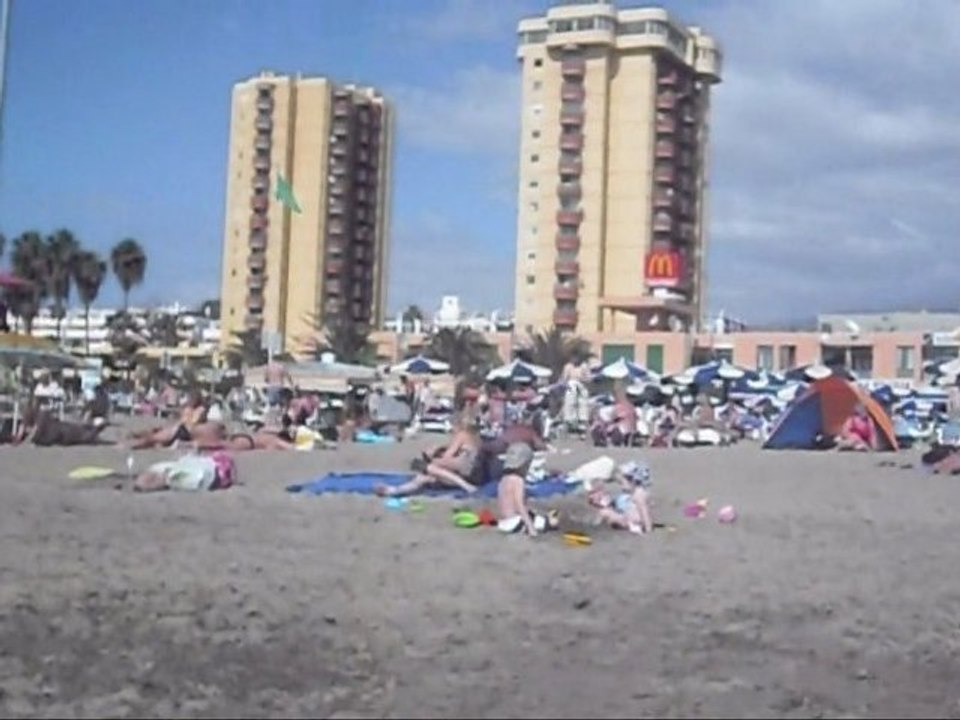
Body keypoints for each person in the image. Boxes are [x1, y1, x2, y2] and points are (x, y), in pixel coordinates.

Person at [376, 414, 482, 497]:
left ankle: (467, 486)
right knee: (423, 477)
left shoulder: (462, 435)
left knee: (431, 466)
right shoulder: (471, 437)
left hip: (468, 473)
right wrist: (437, 450)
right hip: (466, 473)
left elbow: (447, 457)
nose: (451, 430)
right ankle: (394, 491)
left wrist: (432, 456)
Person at [496, 442, 555, 536]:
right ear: (523, 465)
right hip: (516, 523)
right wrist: (531, 528)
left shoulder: (503, 480)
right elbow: (520, 505)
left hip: (504, 523)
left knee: (533, 513)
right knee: (548, 522)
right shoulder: (518, 480)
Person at [587, 461, 654, 535]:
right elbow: (611, 478)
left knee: (605, 512)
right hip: (626, 516)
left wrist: (648, 529)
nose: (621, 485)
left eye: (623, 481)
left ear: (633, 481)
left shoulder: (638, 494)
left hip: (629, 521)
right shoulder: (633, 492)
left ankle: (597, 522)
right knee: (607, 506)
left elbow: (644, 513)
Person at [14, 403, 110, 447]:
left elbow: (34, 429)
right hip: (59, 430)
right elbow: (28, 428)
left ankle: (96, 429)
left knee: (79, 435)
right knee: (78, 434)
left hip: (58, 432)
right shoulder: (39, 413)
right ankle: (96, 429)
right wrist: (21, 440)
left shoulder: (39, 414)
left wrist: (23, 441)